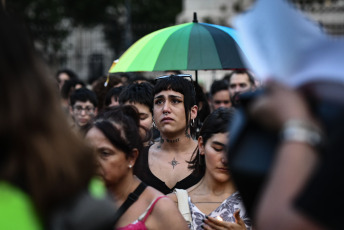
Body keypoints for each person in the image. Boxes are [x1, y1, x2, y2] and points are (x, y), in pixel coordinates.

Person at [0, 9, 115, 230]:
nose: (83, 113)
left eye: (88, 108)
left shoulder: (78, 202)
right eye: (79, 108)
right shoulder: (82, 195)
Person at [85, 105, 188, 230]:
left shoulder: (160, 208)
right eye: (89, 153)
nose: (94, 162)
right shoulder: (81, 200)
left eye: (105, 153)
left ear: (131, 157)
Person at [168, 108, 251, 230]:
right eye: (217, 149)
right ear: (201, 145)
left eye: (232, 151)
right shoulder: (172, 204)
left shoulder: (257, 204)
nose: (225, 159)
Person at [134, 74, 202, 194]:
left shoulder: (208, 157)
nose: (165, 109)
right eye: (159, 101)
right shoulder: (137, 158)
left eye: (175, 101)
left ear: (193, 112)